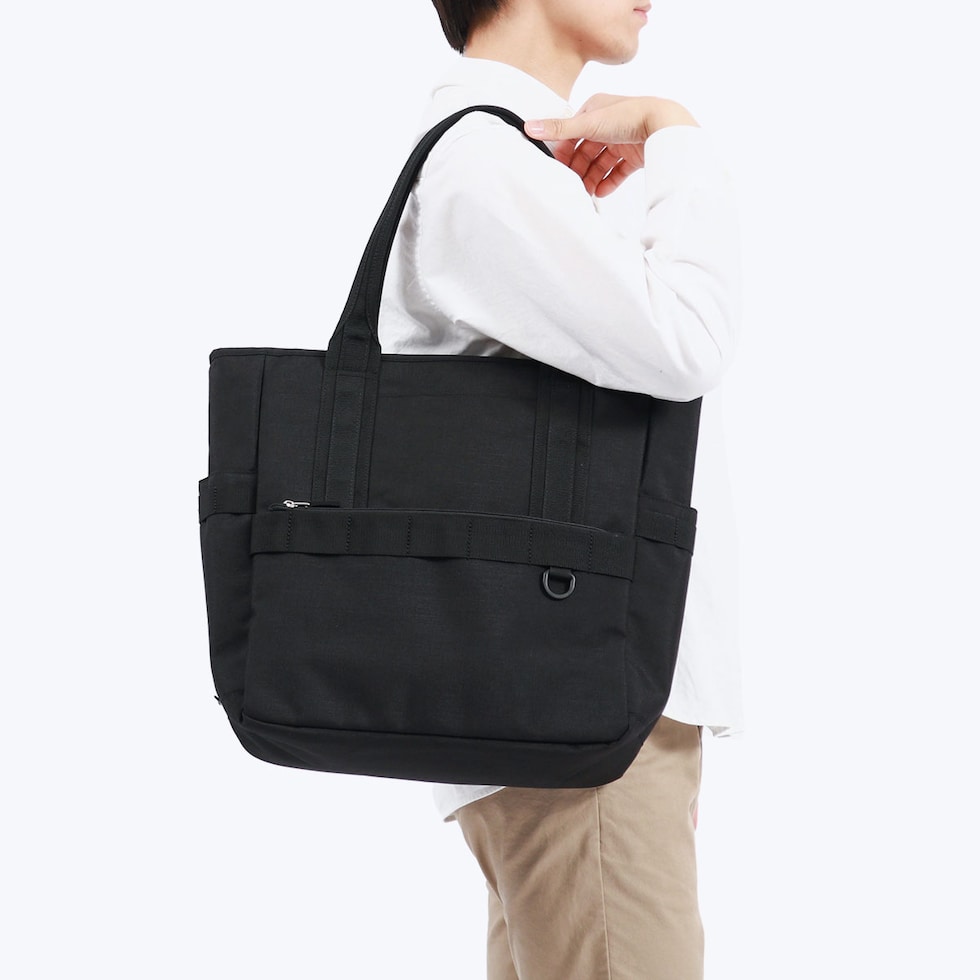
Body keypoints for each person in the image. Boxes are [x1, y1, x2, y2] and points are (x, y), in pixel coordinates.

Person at [378, 2, 743, 976]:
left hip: (570, 712)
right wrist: (676, 136)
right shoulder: (481, 163)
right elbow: (686, 342)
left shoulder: (500, 161)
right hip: (580, 721)